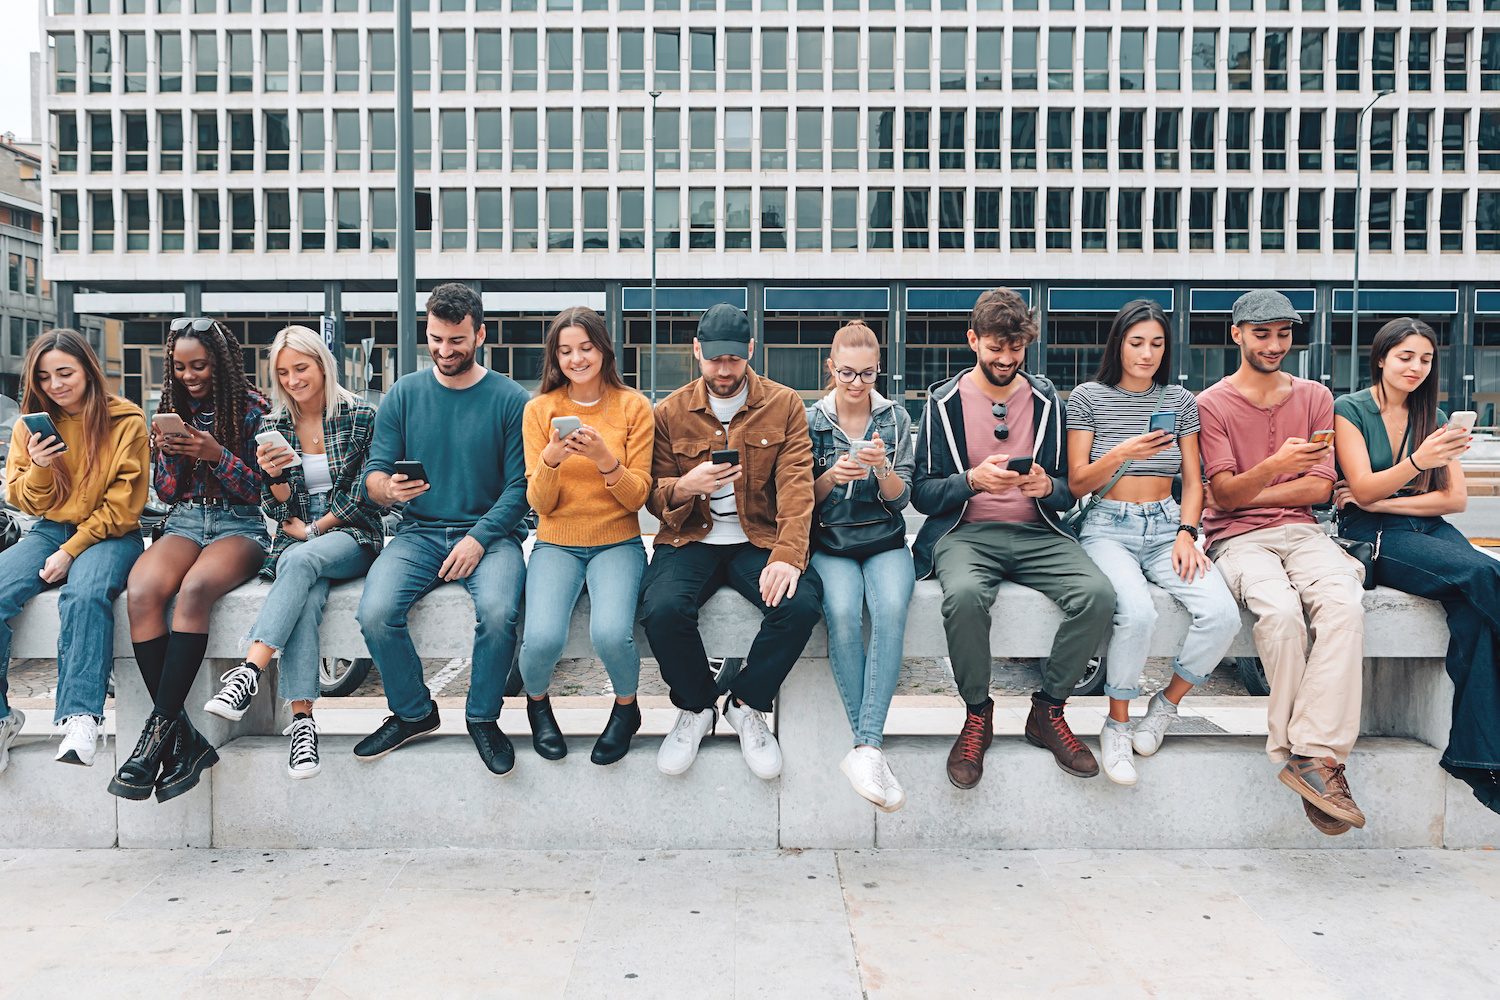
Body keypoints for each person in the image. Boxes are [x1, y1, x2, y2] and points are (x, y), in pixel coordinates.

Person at [912, 288, 1114, 789]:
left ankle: (1048, 710)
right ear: (972, 341)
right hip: (966, 532)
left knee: (1098, 595)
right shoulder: (943, 403)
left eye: (1015, 349)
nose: (1005, 360)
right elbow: (922, 493)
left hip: (1036, 529)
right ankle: (977, 714)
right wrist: (972, 481)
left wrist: (1049, 486)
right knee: (961, 597)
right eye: (995, 348)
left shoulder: (1046, 400)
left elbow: (1069, 489)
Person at [1197, 290, 1368, 836]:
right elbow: (1220, 499)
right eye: (1262, 333)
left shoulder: (1316, 396)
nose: (1274, 345)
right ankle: (1308, 761)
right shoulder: (1212, 404)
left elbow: (1319, 489)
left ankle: (1311, 755)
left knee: (1343, 605)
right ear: (1237, 334)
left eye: (1284, 334)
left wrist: (1253, 485)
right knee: (1281, 614)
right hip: (1237, 540)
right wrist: (1277, 468)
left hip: (1304, 532)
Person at [641, 303, 823, 780]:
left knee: (800, 605)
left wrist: (787, 555)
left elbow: (797, 487)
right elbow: (654, 497)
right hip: (689, 538)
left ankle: (745, 703)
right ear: (696, 351)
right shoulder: (670, 411)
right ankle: (698, 705)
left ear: (750, 351)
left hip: (756, 538)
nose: (723, 371)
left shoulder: (783, 405)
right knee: (661, 610)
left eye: (733, 360)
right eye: (713, 359)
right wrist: (686, 486)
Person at [354, 282, 530, 775]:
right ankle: (414, 712)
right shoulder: (404, 394)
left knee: (498, 612)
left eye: (456, 340)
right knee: (375, 612)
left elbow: (522, 488)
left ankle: (482, 718)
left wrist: (479, 539)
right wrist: (387, 489)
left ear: (480, 336)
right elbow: (374, 473)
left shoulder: (510, 399)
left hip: (490, 536)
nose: (444, 349)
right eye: (435, 338)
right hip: (418, 534)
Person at [1066, 301, 1241, 785]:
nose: (1146, 354)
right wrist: (1124, 451)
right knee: (1138, 612)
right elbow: (1077, 482)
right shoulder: (1087, 397)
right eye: (1136, 342)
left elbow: (1193, 477)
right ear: (1118, 343)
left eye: (1156, 344)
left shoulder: (1180, 400)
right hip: (1107, 525)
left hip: (1166, 525)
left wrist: (1188, 532)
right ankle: (1117, 722)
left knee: (1222, 614)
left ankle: (1167, 705)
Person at [201, 325, 383, 779]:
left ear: (322, 364)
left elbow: (365, 492)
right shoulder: (274, 426)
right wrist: (277, 481)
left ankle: (250, 670)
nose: (293, 380)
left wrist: (316, 528)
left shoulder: (361, 416)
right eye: (283, 373)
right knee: (305, 589)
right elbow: (273, 503)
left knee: (301, 562)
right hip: (295, 532)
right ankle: (303, 725)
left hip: (349, 531)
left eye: (301, 368)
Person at [1333, 318, 1496, 815]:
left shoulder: (1435, 414)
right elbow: (1359, 490)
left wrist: (1387, 500)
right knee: (1483, 575)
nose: (1416, 368)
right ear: (1381, 358)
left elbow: (1455, 499)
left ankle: (1477, 761)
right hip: (1373, 537)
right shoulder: (1350, 409)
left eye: (1425, 359)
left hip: (1408, 523)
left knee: (1475, 620)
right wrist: (1415, 466)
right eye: (1405, 357)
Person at [110, 319, 269, 803]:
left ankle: (155, 735)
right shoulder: (170, 409)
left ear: (219, 364)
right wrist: (171, 456)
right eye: (179, 367)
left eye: (198, 366)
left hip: (239, 526)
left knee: (195, 591)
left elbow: (262, 490)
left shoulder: (254, 408)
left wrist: (216, 454)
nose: (189, 376)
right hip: (183, 522)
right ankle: (182, 738)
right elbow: (166, 492)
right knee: (142, 592)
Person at [0, 331, 148, 772]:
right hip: (48, 530)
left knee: (84, 595)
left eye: (65, 373)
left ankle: (82, 716)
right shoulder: (31, 423)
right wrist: (41, 468)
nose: (55, 385)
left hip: (110, 535)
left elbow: (125, 506)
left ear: (88, 370)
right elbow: (23, 499)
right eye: (44, 377)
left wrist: (72, 549)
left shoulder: (127, 420)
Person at [518, 306, 653, 765]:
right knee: (539, 639)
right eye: (566, 350)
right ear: (555, 356)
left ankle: (626, 708)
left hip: (617, 540)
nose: (577, 359)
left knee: (612, 634)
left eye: (586, 348)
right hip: (557, 541)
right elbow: (539, 503)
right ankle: (537, 706)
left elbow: (637, 498)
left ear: (603, 349)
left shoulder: (634, 406)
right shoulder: (540, 410)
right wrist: (552, 460)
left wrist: (603, 459)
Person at [804, 320, 915, 810]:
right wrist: (831, 475)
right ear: (830, 368)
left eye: (867, 375)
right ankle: (869, 747)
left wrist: (881, 467)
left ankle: (864, 748)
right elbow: (799, 499)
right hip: (829, 540)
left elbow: (903, 497)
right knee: (844, 616)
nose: (855, 384)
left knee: (890, 611)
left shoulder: (895, 419)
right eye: (846, 373)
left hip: (885, 537)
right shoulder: (810, 421)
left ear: (879, 370)